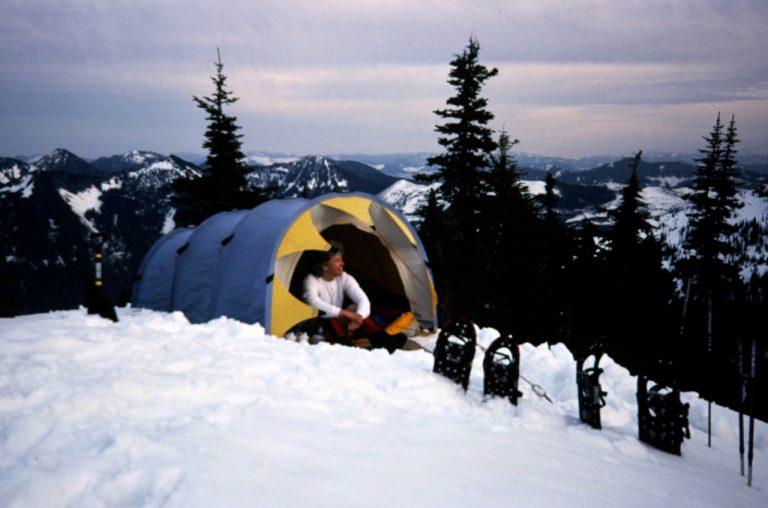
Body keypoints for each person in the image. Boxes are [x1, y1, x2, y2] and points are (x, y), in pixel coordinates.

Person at [302, 245, 407, 353]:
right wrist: (344, 313)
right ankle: (343, 343)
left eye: (341, 259)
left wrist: (359, 317)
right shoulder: (311, 280)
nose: (342, 263)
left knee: (356, 308)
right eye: (337, 260)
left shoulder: (344, 277)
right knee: (324, 315)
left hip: (341, 324)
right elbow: (312, 302)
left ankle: (380, 338)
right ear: (325, 265)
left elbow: (363, 300)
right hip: (320, 326)